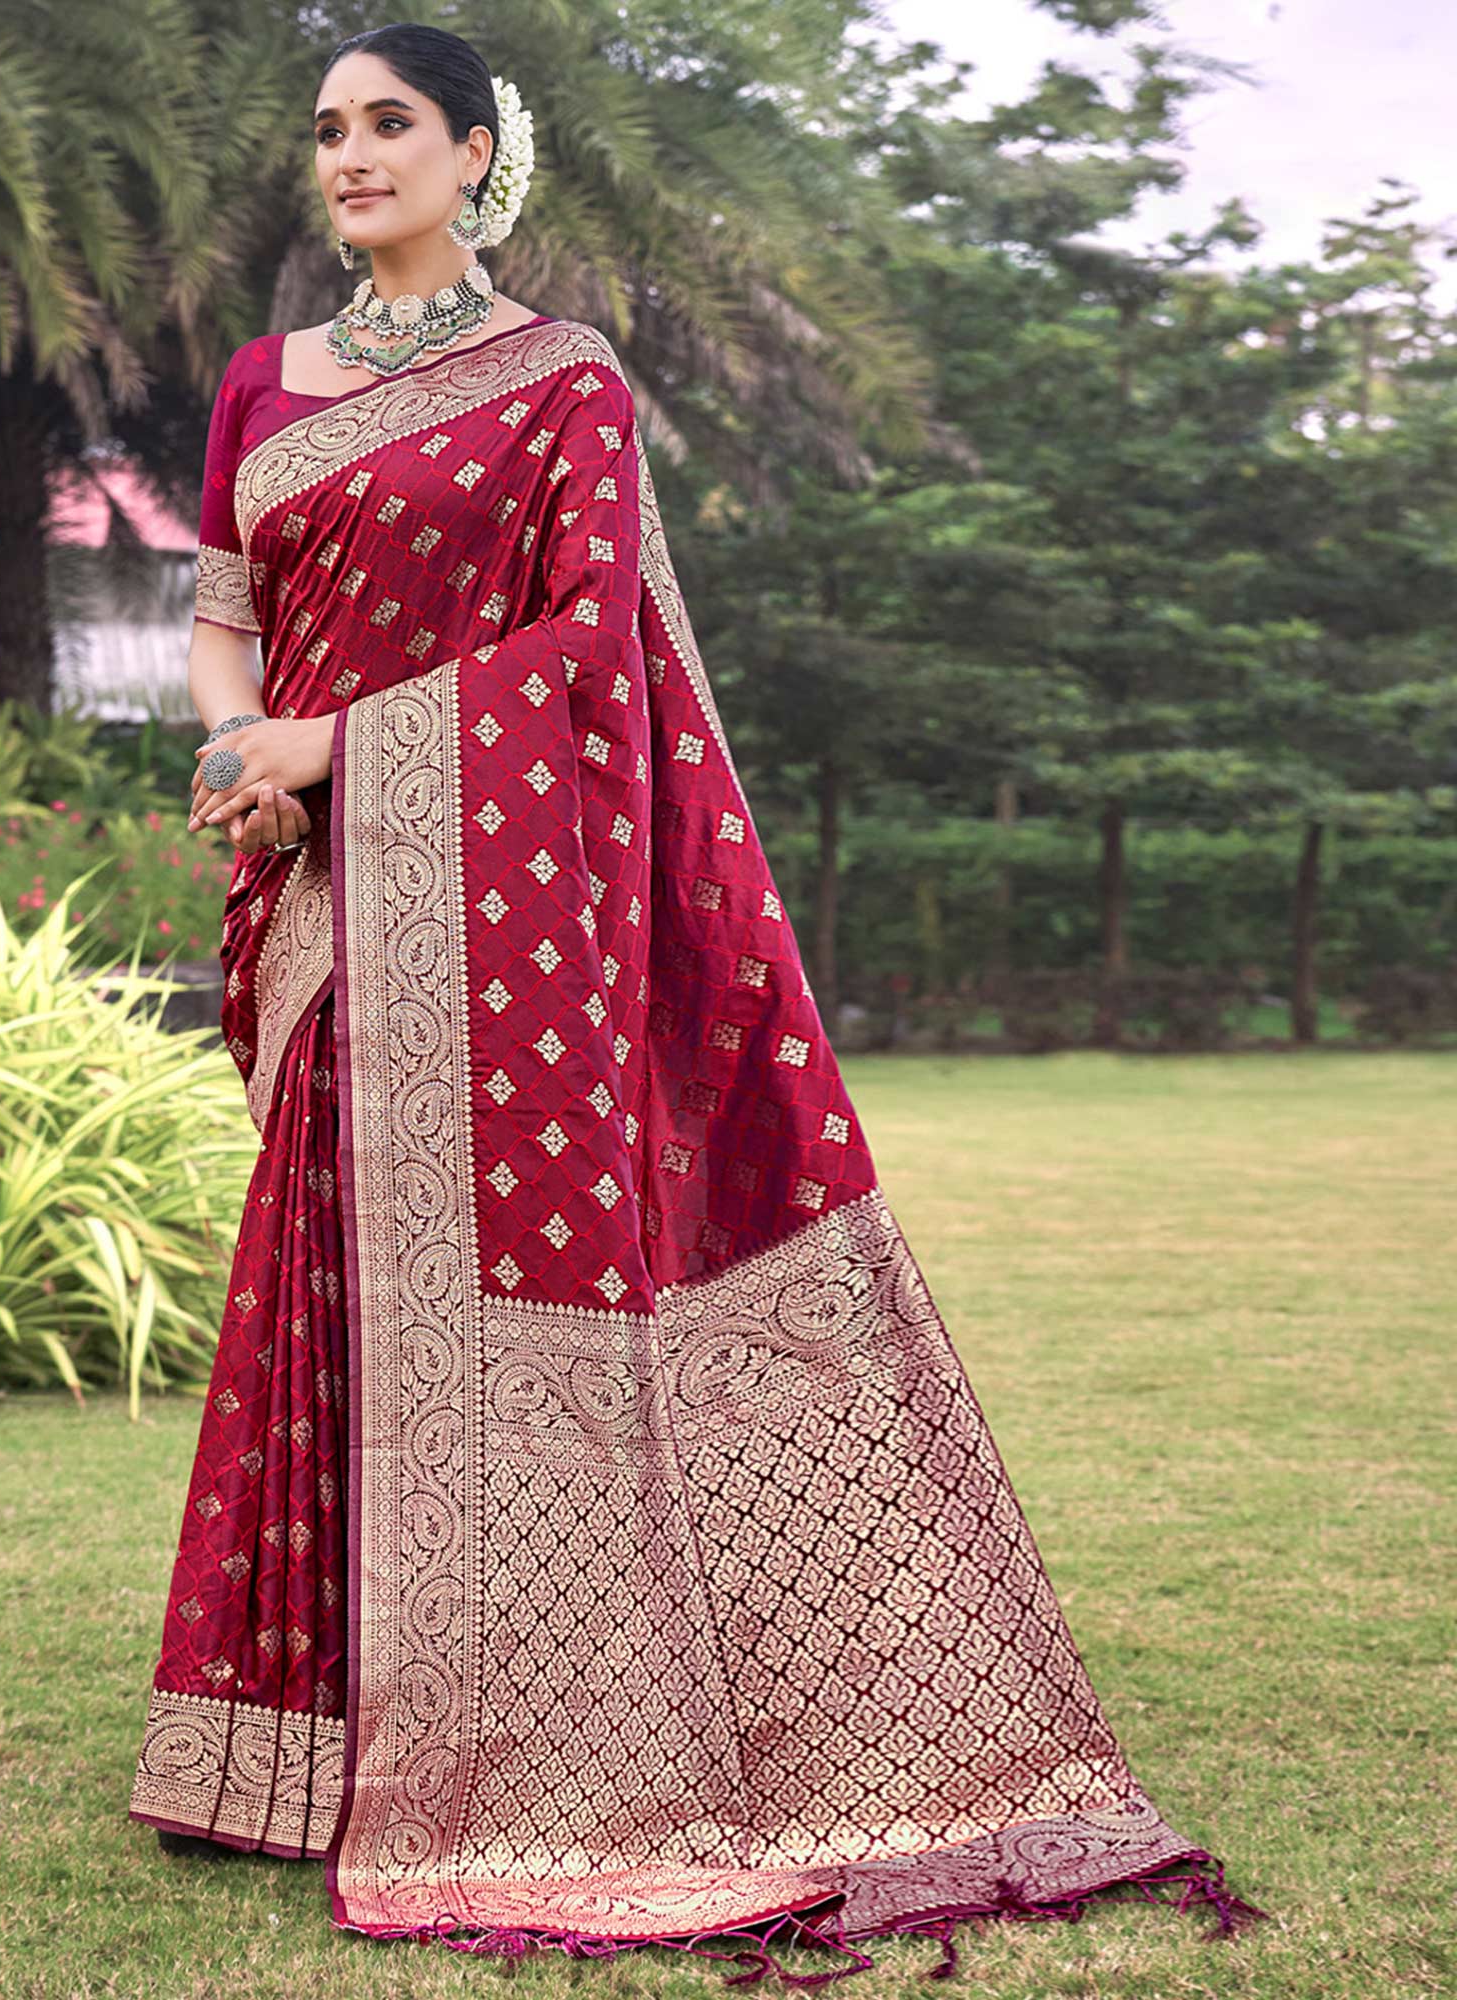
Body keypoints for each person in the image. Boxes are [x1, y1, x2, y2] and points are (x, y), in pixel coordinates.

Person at [127, 20, 1264, 1986]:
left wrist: (341, 741)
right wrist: (246, 745)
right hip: (322, 907)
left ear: (477, 149)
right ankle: (291, 1754)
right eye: (324, 131)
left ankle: (542, 1732)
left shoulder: (562, 379)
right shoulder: (261, 384)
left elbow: (590, 658)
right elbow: (222, 613)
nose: (348, 156)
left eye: (388, 122)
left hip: (505, 930)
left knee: (514, 1315)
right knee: (322, 1276)